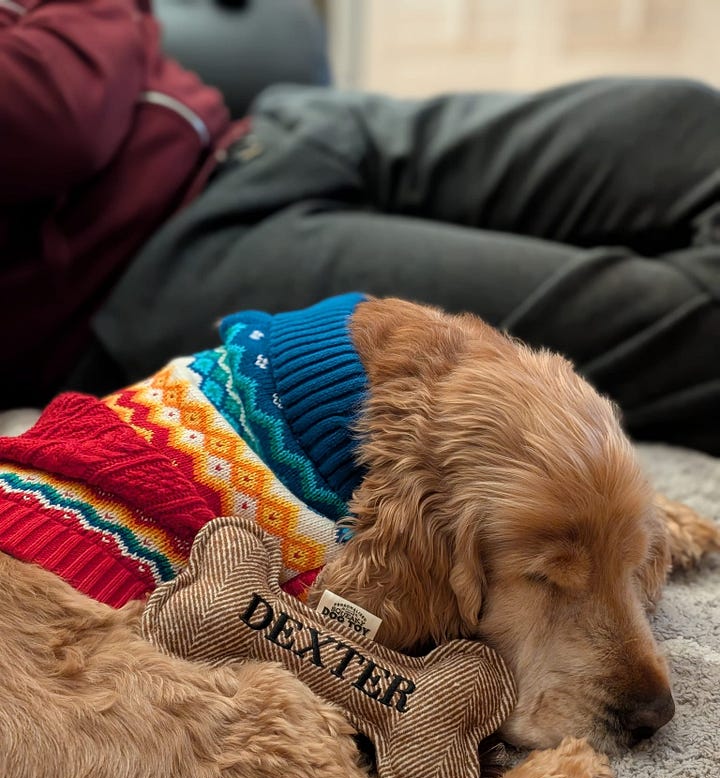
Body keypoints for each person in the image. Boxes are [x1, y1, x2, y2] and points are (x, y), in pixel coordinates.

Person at [2, 0, 719, 454]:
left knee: (685, 121)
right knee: (685, 324)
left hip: (269, 134)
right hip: (161, 264)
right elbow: (53, 119)